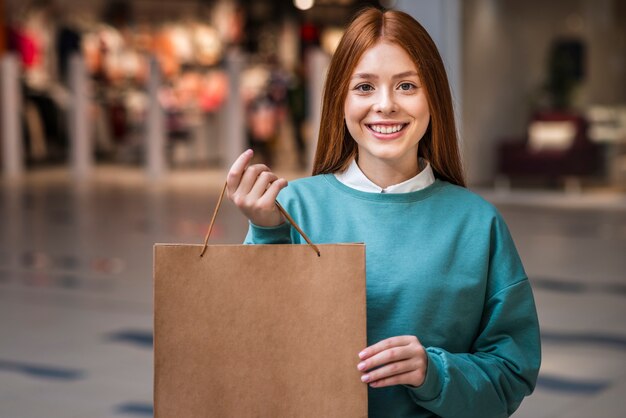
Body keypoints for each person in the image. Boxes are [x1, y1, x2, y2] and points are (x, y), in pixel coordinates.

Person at [225, 7, 540, 418]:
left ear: (435, 98)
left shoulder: (478, 225)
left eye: (407, 85)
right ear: (339, 98)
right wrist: (265, 232)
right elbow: (244, 347)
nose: (386, 105)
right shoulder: (291, 209)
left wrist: (435, 372)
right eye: (364, 87)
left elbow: (512, 372)